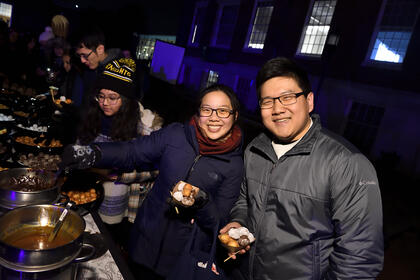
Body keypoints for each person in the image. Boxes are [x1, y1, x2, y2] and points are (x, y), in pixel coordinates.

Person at [220, 57, 384, 280]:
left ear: (309, 101)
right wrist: (238, 222)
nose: (278, 109)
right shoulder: (255, 150)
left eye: (288, 97)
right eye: (267, 101)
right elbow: (245, 200)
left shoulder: (347, 163)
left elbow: (359, 258)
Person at [59, 83, 244, 279]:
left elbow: (219, 220)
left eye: (223, 111)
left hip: (181, 257)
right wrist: (95, 153)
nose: (214, 117)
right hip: (145, 240)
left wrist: (201, 202)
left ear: (235, 116)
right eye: (207, 110)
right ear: (198, 113)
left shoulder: (234, 164)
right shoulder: (175, 134)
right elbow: (133, 151)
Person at [76, 57, 162, 227]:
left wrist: (117, 174)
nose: (104, 103)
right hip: (86, 193)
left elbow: (156, 170)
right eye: (101, 96)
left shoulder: (146, 126)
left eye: (112, 97)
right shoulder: (93, 113)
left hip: (118, 201)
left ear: (126, 99)